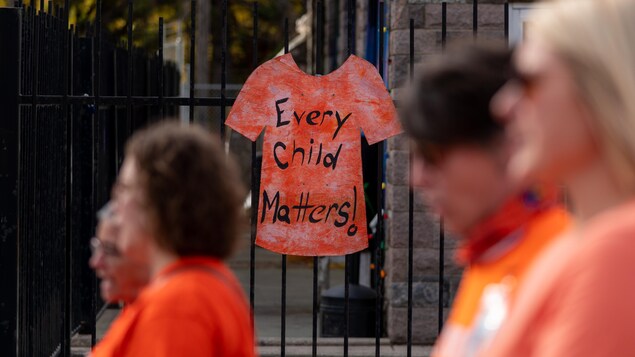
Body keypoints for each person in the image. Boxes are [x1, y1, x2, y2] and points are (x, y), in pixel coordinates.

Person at [482, 0, 635, 356]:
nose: (504, 105)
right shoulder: (573, 248)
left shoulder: (615, 251)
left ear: (604, 88)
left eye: (529, 81)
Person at [400, 43, 571, 357]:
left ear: (507, 143)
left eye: (432, 155)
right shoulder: (492, 252)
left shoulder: (562, 263)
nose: (416, 178)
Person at [91, 122, 255, 356]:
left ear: (159, 203)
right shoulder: (198, 287)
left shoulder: (178, 305)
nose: (115, 207)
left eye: (124, 190)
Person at [89, 202, 149, 304]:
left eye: (109, 249)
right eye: (97, 247)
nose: (95, 263)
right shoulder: (137, 306)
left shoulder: (163, 312)